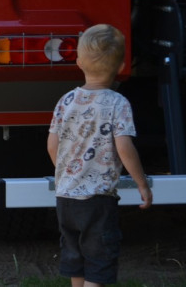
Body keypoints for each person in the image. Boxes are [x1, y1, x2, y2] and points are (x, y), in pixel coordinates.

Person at [47, 24, 152, 287]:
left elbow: (52, 144)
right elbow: (124, 148)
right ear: (121, 67)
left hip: (66, 197)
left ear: (79, 62)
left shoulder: (66, 100)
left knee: (75, 257)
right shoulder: (118, 103)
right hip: (97, 199)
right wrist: (141, 183)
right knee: (99, 261)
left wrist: (66, 173)